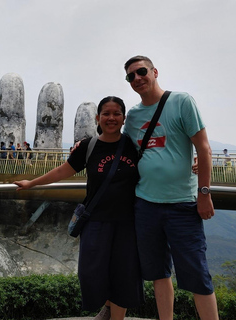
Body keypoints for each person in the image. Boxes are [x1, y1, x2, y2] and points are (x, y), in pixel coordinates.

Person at [14, 96, 143, 320]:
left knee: (123, 273)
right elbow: (62, 171)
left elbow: (158, 163)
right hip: (95, 219)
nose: (111, 118)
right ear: (98, 118)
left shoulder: (134, 146)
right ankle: (108, 305)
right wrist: (31, 183)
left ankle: (116, 316)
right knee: (91, 271)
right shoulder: (89, 146)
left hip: (128, 221)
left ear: (123, 118)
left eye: (116, 114)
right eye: (106, 113)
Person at [122, 55, 218, 320]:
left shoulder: (181, 102)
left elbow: (204, 148)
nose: (137, 78)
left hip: (183, 204)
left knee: (197, 273)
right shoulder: (133, 116)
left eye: (141, 72)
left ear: (154, 71)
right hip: (145, 204)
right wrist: (81, 148)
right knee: (157, 273)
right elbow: (119, 145)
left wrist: (204, 193)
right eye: (131, 76)